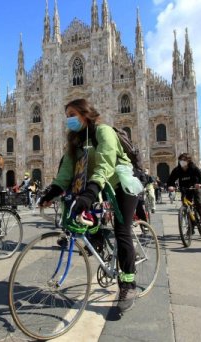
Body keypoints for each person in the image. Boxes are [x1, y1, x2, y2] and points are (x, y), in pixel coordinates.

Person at [38, 98, 140, 312]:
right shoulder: (75, 141)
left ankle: (129, 283)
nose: (69, 120)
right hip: (97, 183)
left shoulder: (104, 132)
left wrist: (90, 193)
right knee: (88, 222)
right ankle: (99, 240)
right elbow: (66, 172)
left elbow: (105, 164)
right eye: (67, 117)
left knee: (122, 231)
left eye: (72, 115)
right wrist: (53, 191)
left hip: (120, 183)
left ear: (85, 114)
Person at [166, 153, 201, 236]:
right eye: (180, 160)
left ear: (188, 161)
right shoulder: (177, 170)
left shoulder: (194, 168)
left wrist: (200, 184)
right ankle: (191, 228)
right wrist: (170, 186)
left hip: (195, 188)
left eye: (184, 160)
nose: (182, 162)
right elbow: (170, 180)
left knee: (199, 203)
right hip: (184, 189)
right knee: (186, 207)